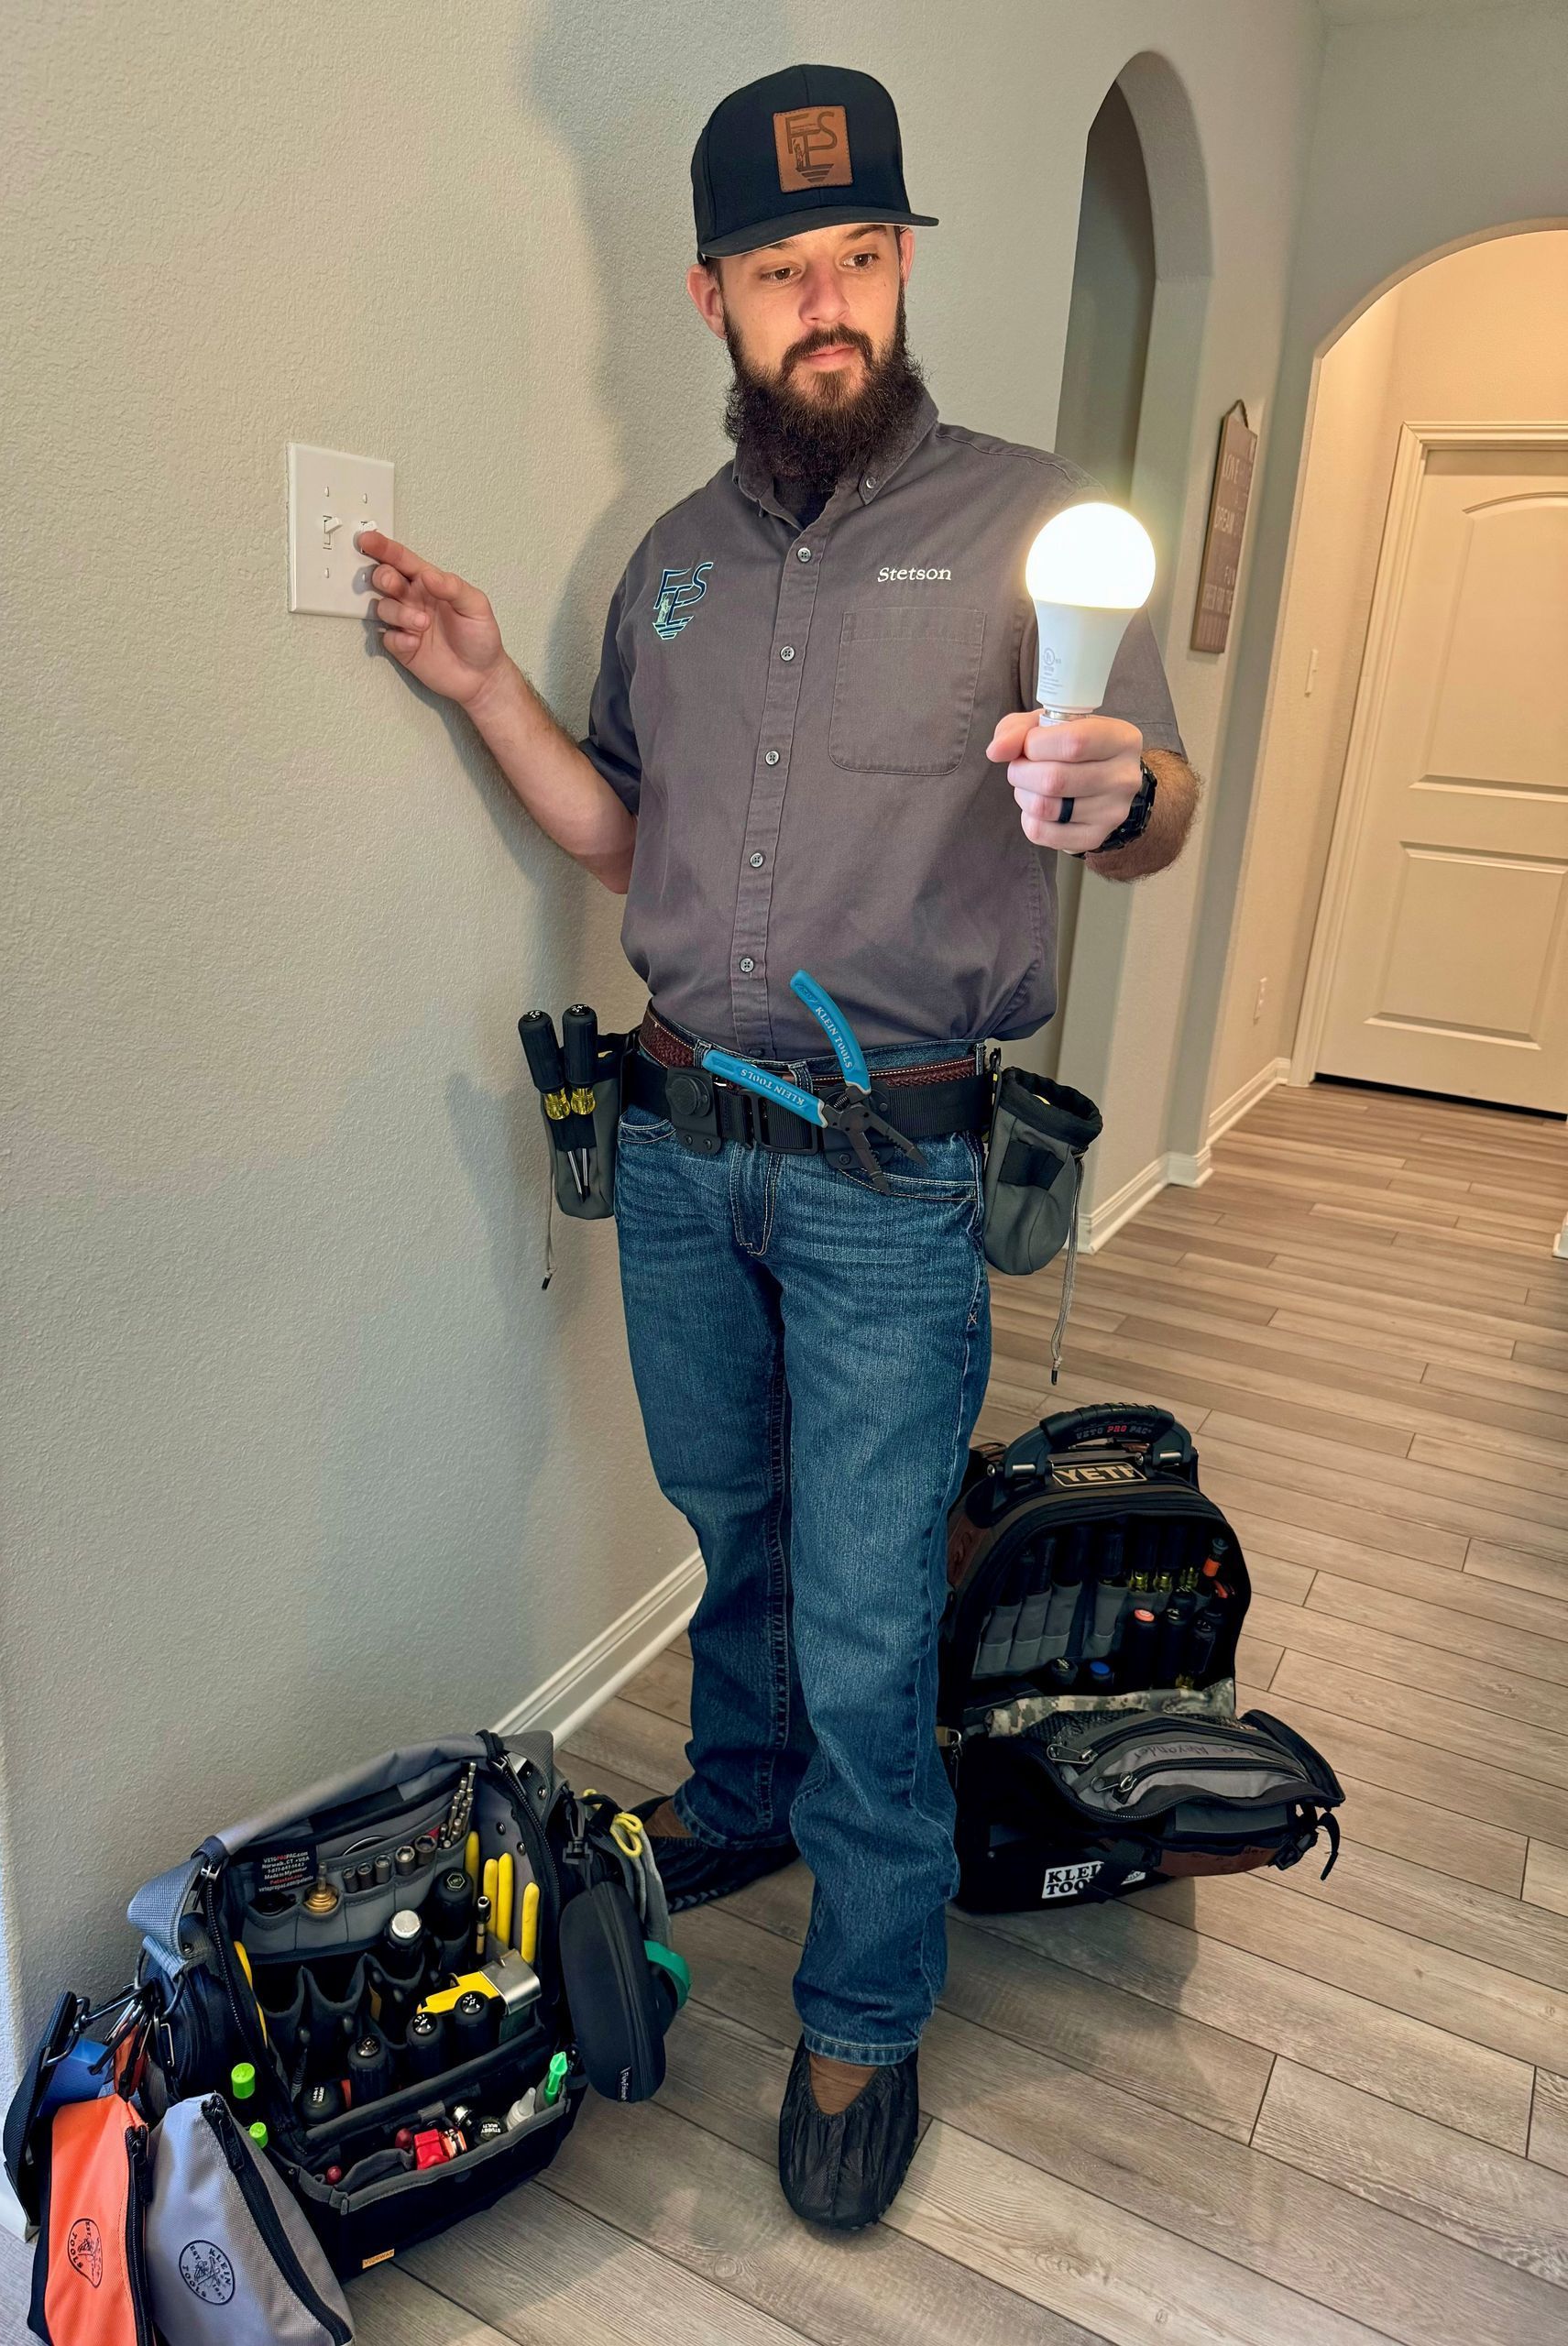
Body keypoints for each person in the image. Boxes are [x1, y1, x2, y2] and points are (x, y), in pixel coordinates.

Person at [357, 62, 1199, 2230]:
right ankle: (742, 1797)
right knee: (730, 1517)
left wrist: (1122, 791)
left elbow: (1151, 797)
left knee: (858, 1608)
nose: (823, 303)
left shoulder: (1029, 523)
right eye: (777, 272)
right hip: (675, 1146)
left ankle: (867, 1998)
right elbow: (623, 827)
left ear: (901, 266)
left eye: (860, 259)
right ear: (713, 297)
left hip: (886, 1174)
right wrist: (477, 682)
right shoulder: (670, 567)